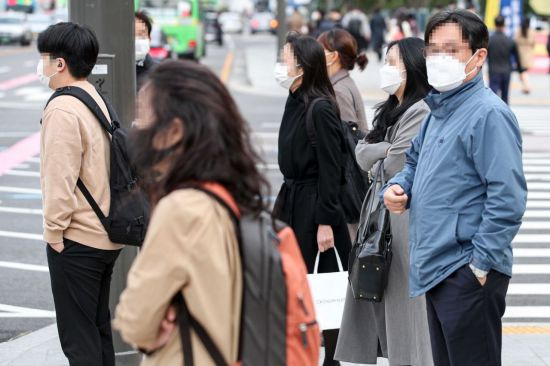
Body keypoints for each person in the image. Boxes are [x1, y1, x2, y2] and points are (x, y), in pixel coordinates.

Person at [383, 10, 527, 366]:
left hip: (466, 270)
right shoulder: (438, 110)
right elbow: (414, 162)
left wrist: (480, 265)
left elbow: (507, 198)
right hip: (436, 267)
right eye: (432, 50)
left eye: (450, 49)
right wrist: (399, 187)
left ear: (478, 57)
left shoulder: (488, 114)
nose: (437, 59)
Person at [113, 60, 268, 365]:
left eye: (145, 114)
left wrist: (157, 320)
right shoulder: (226, 192)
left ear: (174, 131)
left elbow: (135, 320)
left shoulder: (180, 209)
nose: (137, 126)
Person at [335, 37, 433, 366]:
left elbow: (395, 162)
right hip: (381, 215)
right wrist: (383, 150)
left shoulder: (421, 110)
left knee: (401, 305)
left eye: (393, 62)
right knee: (381, 297)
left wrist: (381, 152)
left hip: (402, 219)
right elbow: (363, 154)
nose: (386, 68)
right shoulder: (392, 110)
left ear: (414, 68)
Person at [38, 22, 123, 366]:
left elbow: (59, 180)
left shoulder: (62, 108)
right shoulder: (93, 97)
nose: (42, 66)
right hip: (105, 236)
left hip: (78, 240)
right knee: (98, 330)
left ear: (60, 63)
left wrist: (54, 234)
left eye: (45, 58)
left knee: (79, 341)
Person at [272, 32, 351, 366]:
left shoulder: (319, 108)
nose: (280, 65)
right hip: (292, 200)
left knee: (324, 289)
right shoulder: (295, 99)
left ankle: (330, 359)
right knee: (295, 284)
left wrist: (326, 221)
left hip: (314, 207)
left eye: (285, 59)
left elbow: (332, 170)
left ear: (302, 67)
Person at [317, 28, 368, 241]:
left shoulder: (338, 90)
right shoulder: (341, 83)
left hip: (347, 191)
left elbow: (346, 143)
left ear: (333, 57)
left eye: (320, 51)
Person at [487, 15, 523, 104]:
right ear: (504, 25)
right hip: (506, 71)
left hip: (493, 71)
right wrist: (520, 71)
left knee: (492, 97)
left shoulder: (489, 40)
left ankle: (492, 117)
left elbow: (484, 56)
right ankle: (505, 116)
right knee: (505, 97)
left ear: (494, 24)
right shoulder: (510, 40)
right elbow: (517, 57)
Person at [135, 11, 159, 91]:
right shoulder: (114, 72)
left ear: (149, 38)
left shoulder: (158, 74)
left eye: (141, 35)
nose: (137, 40)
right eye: (133, 35)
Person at [515, 17, 535, 94]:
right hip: (528, 54)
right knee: (523, 71)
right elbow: (533, 43)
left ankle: (527, 86)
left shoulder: (519, 30)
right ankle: (525, 86)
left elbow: (516, 41)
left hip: (520, 54)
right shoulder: (531, 31)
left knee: (522, 71)